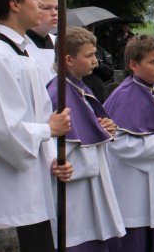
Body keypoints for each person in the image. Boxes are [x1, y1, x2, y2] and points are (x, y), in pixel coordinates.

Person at [0, 0, 71, 251]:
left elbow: (35, 116)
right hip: (11, 201)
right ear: (14, 4)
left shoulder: (23, 54)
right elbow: (2, 131)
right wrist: (49, 129)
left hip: (33, 191)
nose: (40, 4)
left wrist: (52, 161)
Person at [104, 35, 154, 251]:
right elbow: (116, 142)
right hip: (136, 184)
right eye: (153, 62)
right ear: (133, 65)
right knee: (139, 239)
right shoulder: (123, 95)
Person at [47, 26, 125, 250]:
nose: (96, 62)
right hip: (75, 189)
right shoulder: (59, 93)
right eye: (89, 56)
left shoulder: (79, 87)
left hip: (91, 183)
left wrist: (105, 128)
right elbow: (53, 142)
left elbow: (90, 130)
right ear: (69, 59)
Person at [25, 0, 58, 82]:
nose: (54, 13)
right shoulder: (21, 46)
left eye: (56, 8)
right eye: (47, 8)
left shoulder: (59, 42)